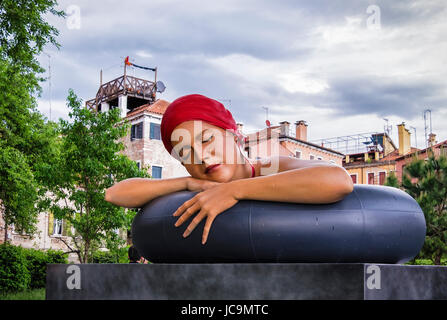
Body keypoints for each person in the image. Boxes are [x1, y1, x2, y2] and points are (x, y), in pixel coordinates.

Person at [105, 94, 354, 245]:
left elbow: (338, 180)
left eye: (206, 140)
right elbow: (113, 194)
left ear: (234, 136)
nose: (201, 157)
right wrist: (186, 184)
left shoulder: (269, 167)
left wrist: (235, 191)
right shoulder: (197, 185)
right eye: (186, 153)